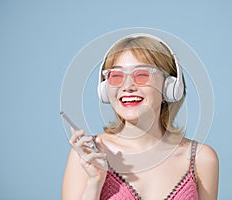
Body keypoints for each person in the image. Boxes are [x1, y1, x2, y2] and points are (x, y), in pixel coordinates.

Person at [62, 34, 219, 200]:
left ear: (170, 87)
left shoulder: (202, 159)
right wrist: (94, 182)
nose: (127, 86)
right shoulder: (87, 156)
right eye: (116, 76)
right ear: (105, 90)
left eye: (141, 75)